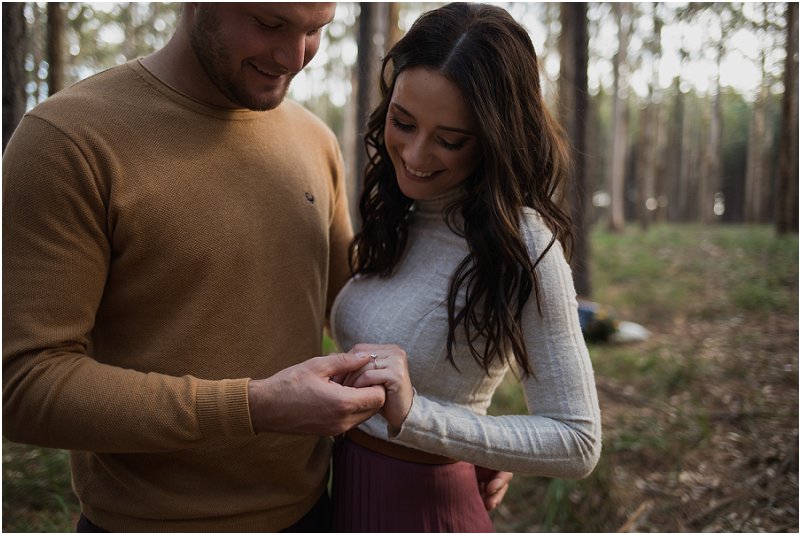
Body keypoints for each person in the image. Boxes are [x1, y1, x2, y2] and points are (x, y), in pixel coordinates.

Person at [3, 3, 513, 531]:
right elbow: (21, 387)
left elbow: (362, 320)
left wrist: (461, 433)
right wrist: (256, 407)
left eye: (315, 30)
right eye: (270, 24)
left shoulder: (313, 139)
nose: (295, 57)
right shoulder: (67, 141)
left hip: (318, 512)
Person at [329, 3, 603, 532]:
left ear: (495, 138)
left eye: (450, 140)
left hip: (429, 510)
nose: (414, 153)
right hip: (348, 495)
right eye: (402, 122)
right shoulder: (399, 209)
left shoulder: (522, 241)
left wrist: (421, 417)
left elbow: (577, 440)